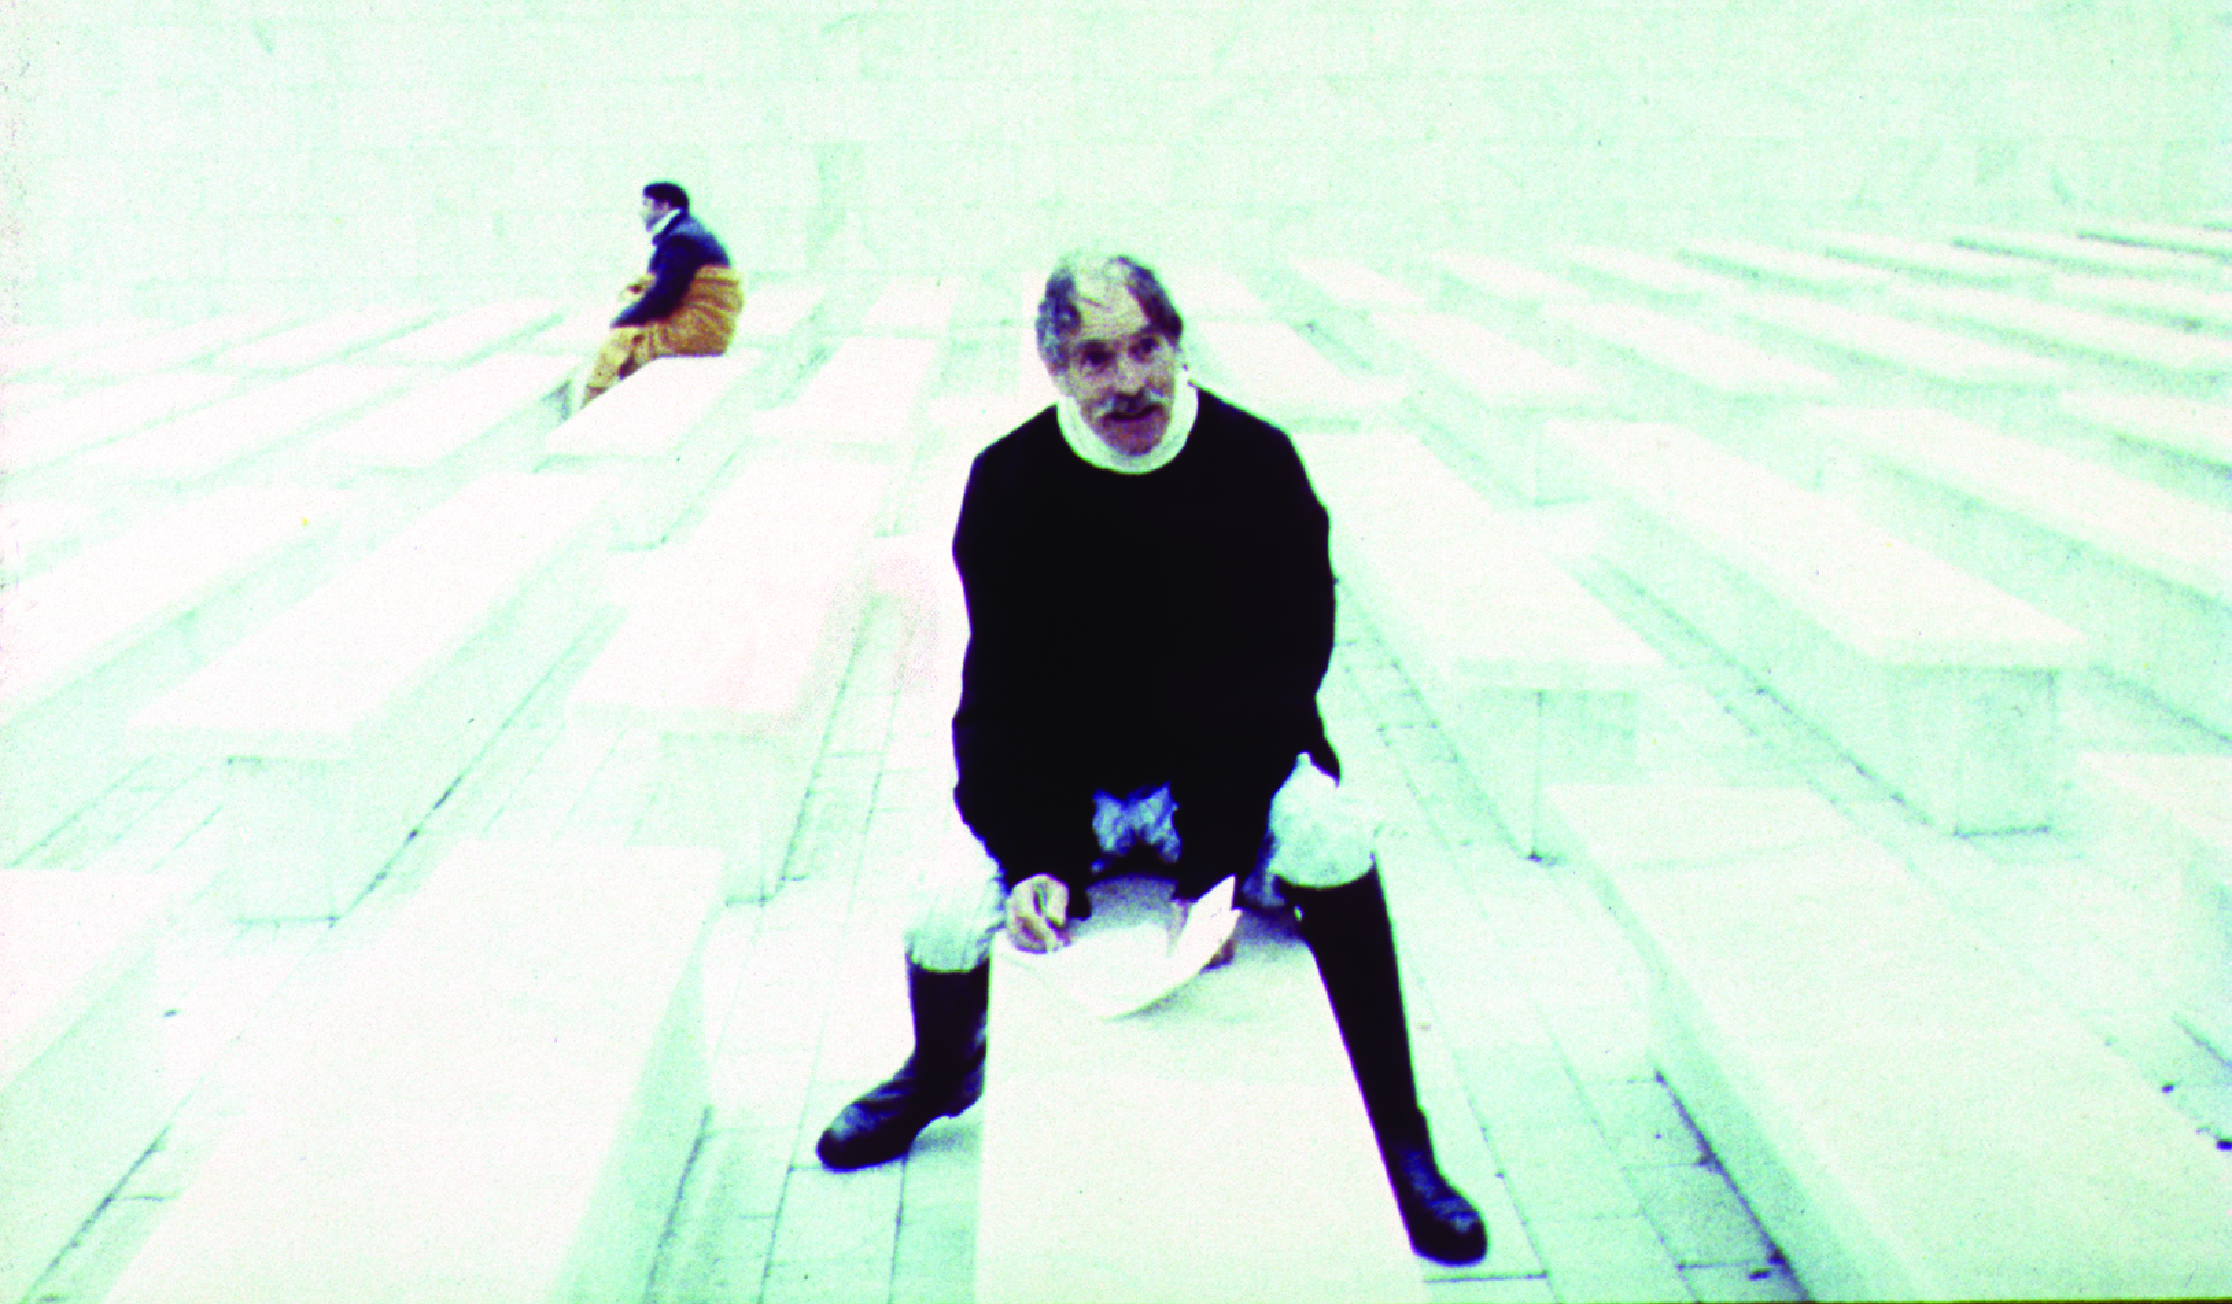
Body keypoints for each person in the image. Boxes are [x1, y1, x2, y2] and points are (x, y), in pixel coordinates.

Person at [814, 252, 1487, 1265]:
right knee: (943, 911)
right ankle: (942, 1070)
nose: (1128, 382)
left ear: (1177, 345)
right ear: (1054, 369)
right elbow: (1003, 697)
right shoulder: (1009, 483)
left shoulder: (1257, 464)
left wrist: (1212, 869)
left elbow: (1272, 690)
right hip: (1075, 788)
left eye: (1146, 348)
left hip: (1220, 774)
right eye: (1094, 359)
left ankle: (1402, 1136)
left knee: (1335, 836)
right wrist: (1038, 856)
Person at [582, 182, 744, 403]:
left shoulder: (681, 240)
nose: (640, 211)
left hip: (695, 330)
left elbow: (664, 296)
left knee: (620, 345)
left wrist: (623, 319)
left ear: (663, 206)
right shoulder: (688, 232)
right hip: (707, 327)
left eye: (645, 204)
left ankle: (599, 405)